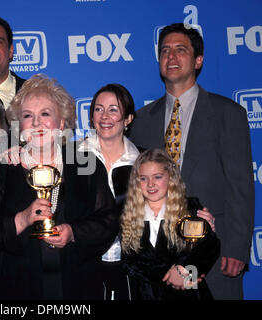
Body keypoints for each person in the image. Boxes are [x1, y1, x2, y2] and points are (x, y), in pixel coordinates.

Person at [128, 23, 255, 299]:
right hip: (160, 262)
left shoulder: (228, 114)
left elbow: (240, 187)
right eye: (165, 51)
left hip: (216, 253)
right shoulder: (140, 122)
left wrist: (236, 248)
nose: (171, 57)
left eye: (180, 50)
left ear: (198, 60)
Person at [0, 74, 117, 300]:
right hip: (18, 288)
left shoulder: (86, 165)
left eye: (45, 114)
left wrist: (73, 233)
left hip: (78, 287)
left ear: (61, 123)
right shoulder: (4, 166)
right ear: (18, 126)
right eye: (27, 116)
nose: (36, 123)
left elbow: (108, 220)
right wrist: (21, 219)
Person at [120, 148, 220, 300]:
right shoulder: (128, 215)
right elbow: (129, 262)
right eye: (143, 178)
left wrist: (186, 270)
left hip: (187, 295)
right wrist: (170, 274)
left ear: (170, 177)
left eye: (157, 177)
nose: (150, 184)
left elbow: (209, 246)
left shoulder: (188, 209)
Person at [77, 84, 139, 300]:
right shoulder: (71, 156)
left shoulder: (144, 161)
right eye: (98, 109)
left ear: (128, 118)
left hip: (132, 268)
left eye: (113, 109)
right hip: (84, 264)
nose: (105, 116)